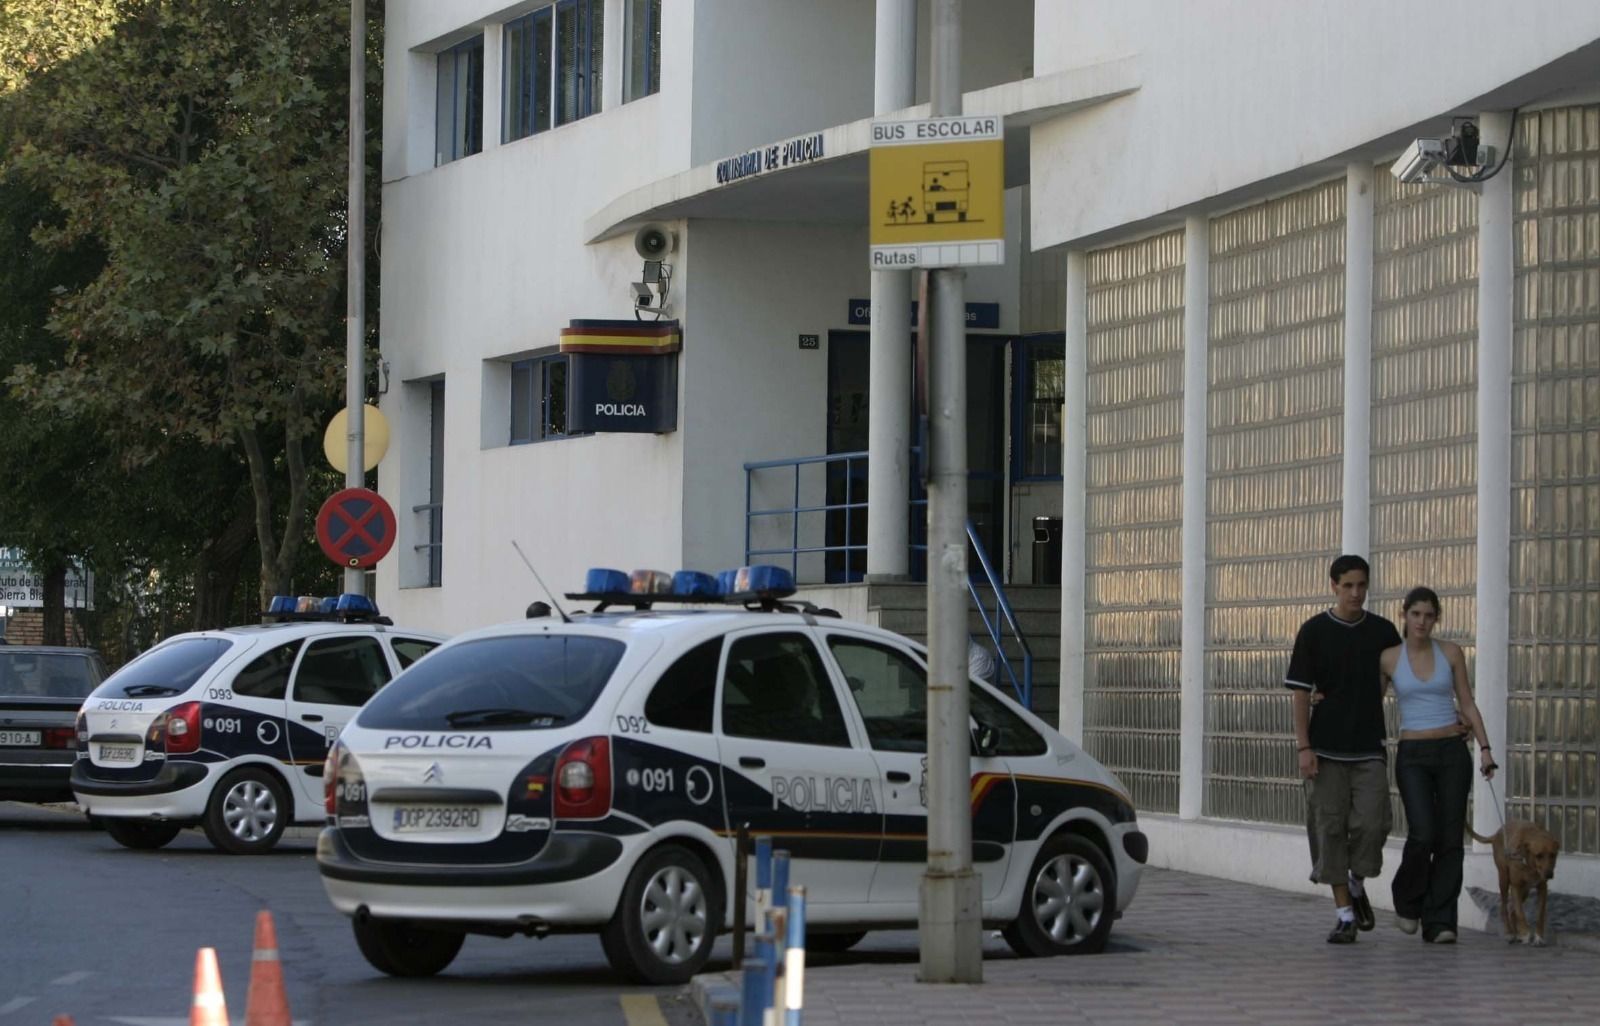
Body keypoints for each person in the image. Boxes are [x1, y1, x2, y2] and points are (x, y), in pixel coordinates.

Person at [1285, 554, 1400, 944]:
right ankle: (1345, 915)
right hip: (1325, 748)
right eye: (1348, 585)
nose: (1356, 593)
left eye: (1362, 585)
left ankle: (1356, 881)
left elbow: (1402, 679)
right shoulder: (1314, 631)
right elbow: (1300, 693)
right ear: (1333, 585)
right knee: (1329, 829)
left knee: (1373, 825)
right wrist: (1304, 747)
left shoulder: (1384, 632)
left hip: (1368, 747)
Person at [1382, 586, 1494, 944]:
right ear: (1404, 615)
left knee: (1449, 840)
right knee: (1423, 833)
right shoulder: (1388, 658)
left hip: (1450, 751)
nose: (1422, 621)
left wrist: (1485, 748)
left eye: (1429, 615)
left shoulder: (1451, 653)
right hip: (1413, 754)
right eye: (1416, 614)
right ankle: (1407, 901)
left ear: (1436, 618)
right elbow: (1364, 702)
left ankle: (1440, 921)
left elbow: (1468, 702)